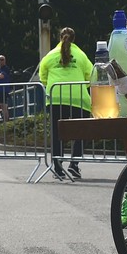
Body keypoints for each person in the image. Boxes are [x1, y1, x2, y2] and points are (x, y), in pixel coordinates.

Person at [38, 27, 91, 180]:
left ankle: (58, 167)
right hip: (79, 98)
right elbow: (90, 74)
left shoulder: (49, 56)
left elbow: (43, 77)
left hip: (56, 98)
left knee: (57, 133)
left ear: (59, 37)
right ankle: (74, 165)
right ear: (74, 39)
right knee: (80, 133)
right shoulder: (81, 55)